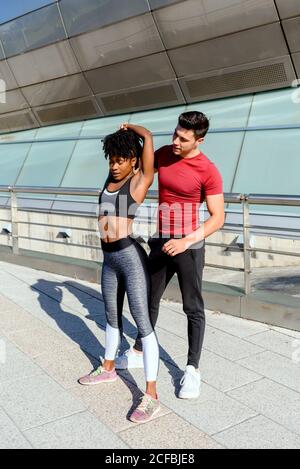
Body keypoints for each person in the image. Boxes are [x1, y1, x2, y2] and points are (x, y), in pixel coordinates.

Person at [115, 111, 224, 399]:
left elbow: (217, 218)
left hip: (189, 246)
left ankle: (192, 370)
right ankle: (139, 350)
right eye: (175, 133)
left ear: (199, 140)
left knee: (193, 308)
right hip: (161, 241)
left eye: (183, 138)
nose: (176, 140)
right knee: (146, 298)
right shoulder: (166, 154)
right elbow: (140, 160)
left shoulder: (208, 170)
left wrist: (186, 241)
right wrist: (129, 131)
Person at [78, 124, 160, 424]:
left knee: (143, 322)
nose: (114, 165)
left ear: (133, 161)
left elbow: (147, 143)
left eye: (121, 159)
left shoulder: (138, 183)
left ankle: (151, 395)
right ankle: (108, 367)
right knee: (111, 315)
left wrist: (136, 131)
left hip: (129, 257)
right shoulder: (109, 180)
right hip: (108, 259)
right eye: (111, 159)